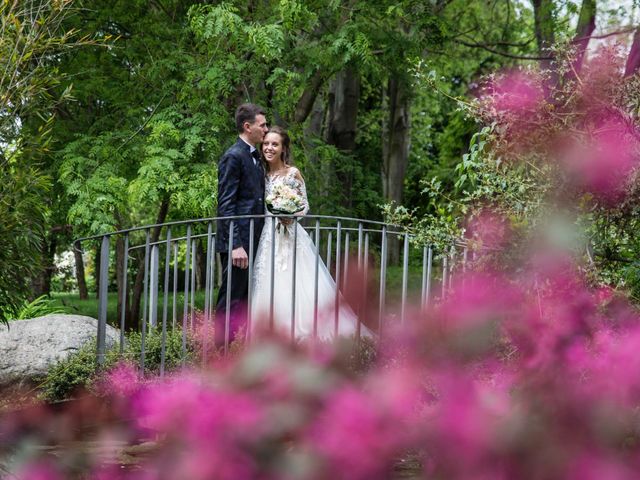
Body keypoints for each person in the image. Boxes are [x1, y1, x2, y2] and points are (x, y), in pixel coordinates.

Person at [250, 126, 373, 340]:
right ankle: (271, 334)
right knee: (270, 280)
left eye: (275, 144)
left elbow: (305, 206)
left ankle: (303, 330)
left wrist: (290, 214)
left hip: (290, 234)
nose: (269, 148)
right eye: (266, 143)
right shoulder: (261, 174)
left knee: (299, 280)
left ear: (283, 148)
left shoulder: (292, 173)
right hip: (269, 236)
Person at [215, 103, 268, 348]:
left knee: (247, 299)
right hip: (239, 242)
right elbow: (226, 204)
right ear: (248, 127)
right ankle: (218, 352)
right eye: (262, 125)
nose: (266, 130)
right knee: (231, 299)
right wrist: (236, 245)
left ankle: (237, 351)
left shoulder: (255, 157)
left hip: (255, 238)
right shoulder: (233, 156)